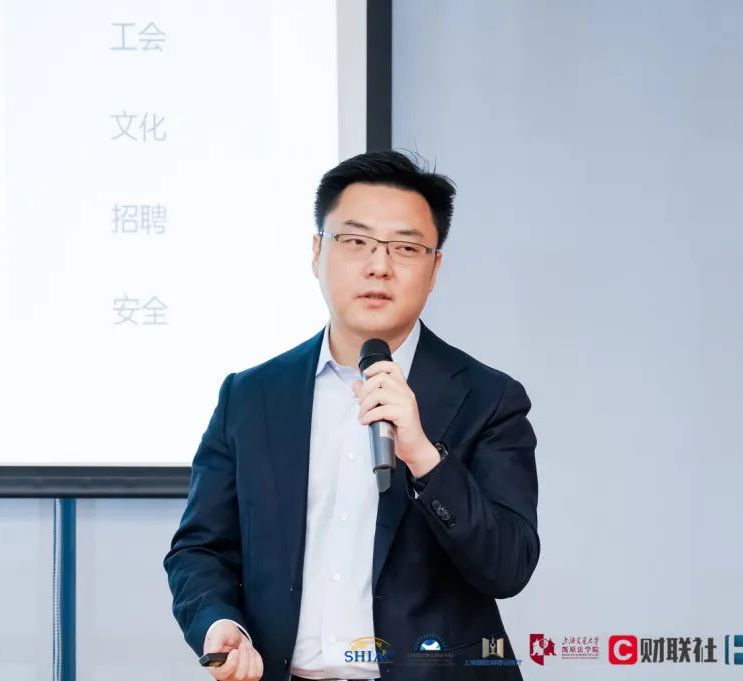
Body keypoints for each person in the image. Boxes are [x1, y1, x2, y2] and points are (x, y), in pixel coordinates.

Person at [163, 150, 540, 681]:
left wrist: (425, 458)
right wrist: (219, 621)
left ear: (434, 269)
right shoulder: (251, 396)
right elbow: (200, 549)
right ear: (317, 252)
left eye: (405, 247)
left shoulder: (489, 399)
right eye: (356, 241)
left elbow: (508, 566)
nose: (379, 266)